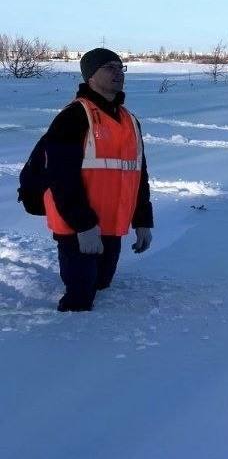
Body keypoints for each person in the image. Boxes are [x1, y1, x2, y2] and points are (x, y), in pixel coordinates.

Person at [43, 48, 154, 312]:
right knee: (80, 299)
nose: (118, 73)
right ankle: (65, 345)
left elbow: (138, 174)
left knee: (102, 284)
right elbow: (61, 177)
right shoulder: (73, 117)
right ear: (90, 76)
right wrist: (83, 225)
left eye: (120, 67)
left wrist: (142, 221)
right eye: (109, 67)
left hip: (111, 224)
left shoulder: (129, 120)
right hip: (77, 226)